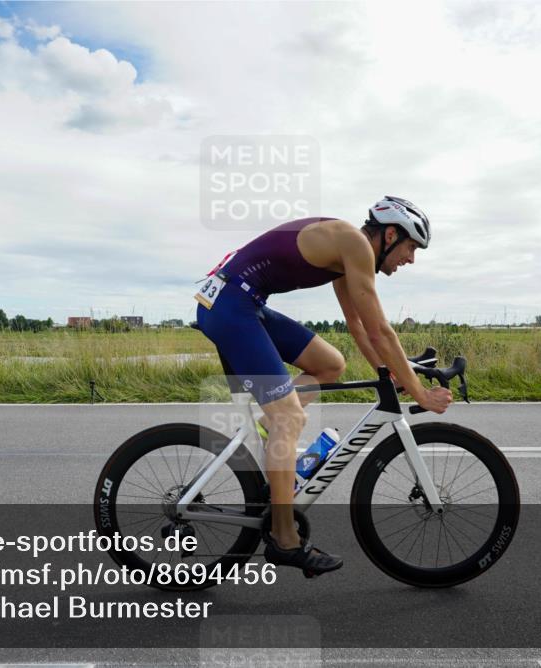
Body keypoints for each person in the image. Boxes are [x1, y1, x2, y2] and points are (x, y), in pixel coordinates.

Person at [194, 196, 453, 577]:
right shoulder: (353, 244)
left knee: (329, 364)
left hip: (243, 301)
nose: (410, 259)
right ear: (391, 234)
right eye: (411, 247)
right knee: (290, 419)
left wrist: (392, 372)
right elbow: (381, 329)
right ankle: (285, 539)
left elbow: (360, 327)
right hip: (231, 305)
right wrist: (419, 393)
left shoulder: (345, 250)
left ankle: (272, 429)